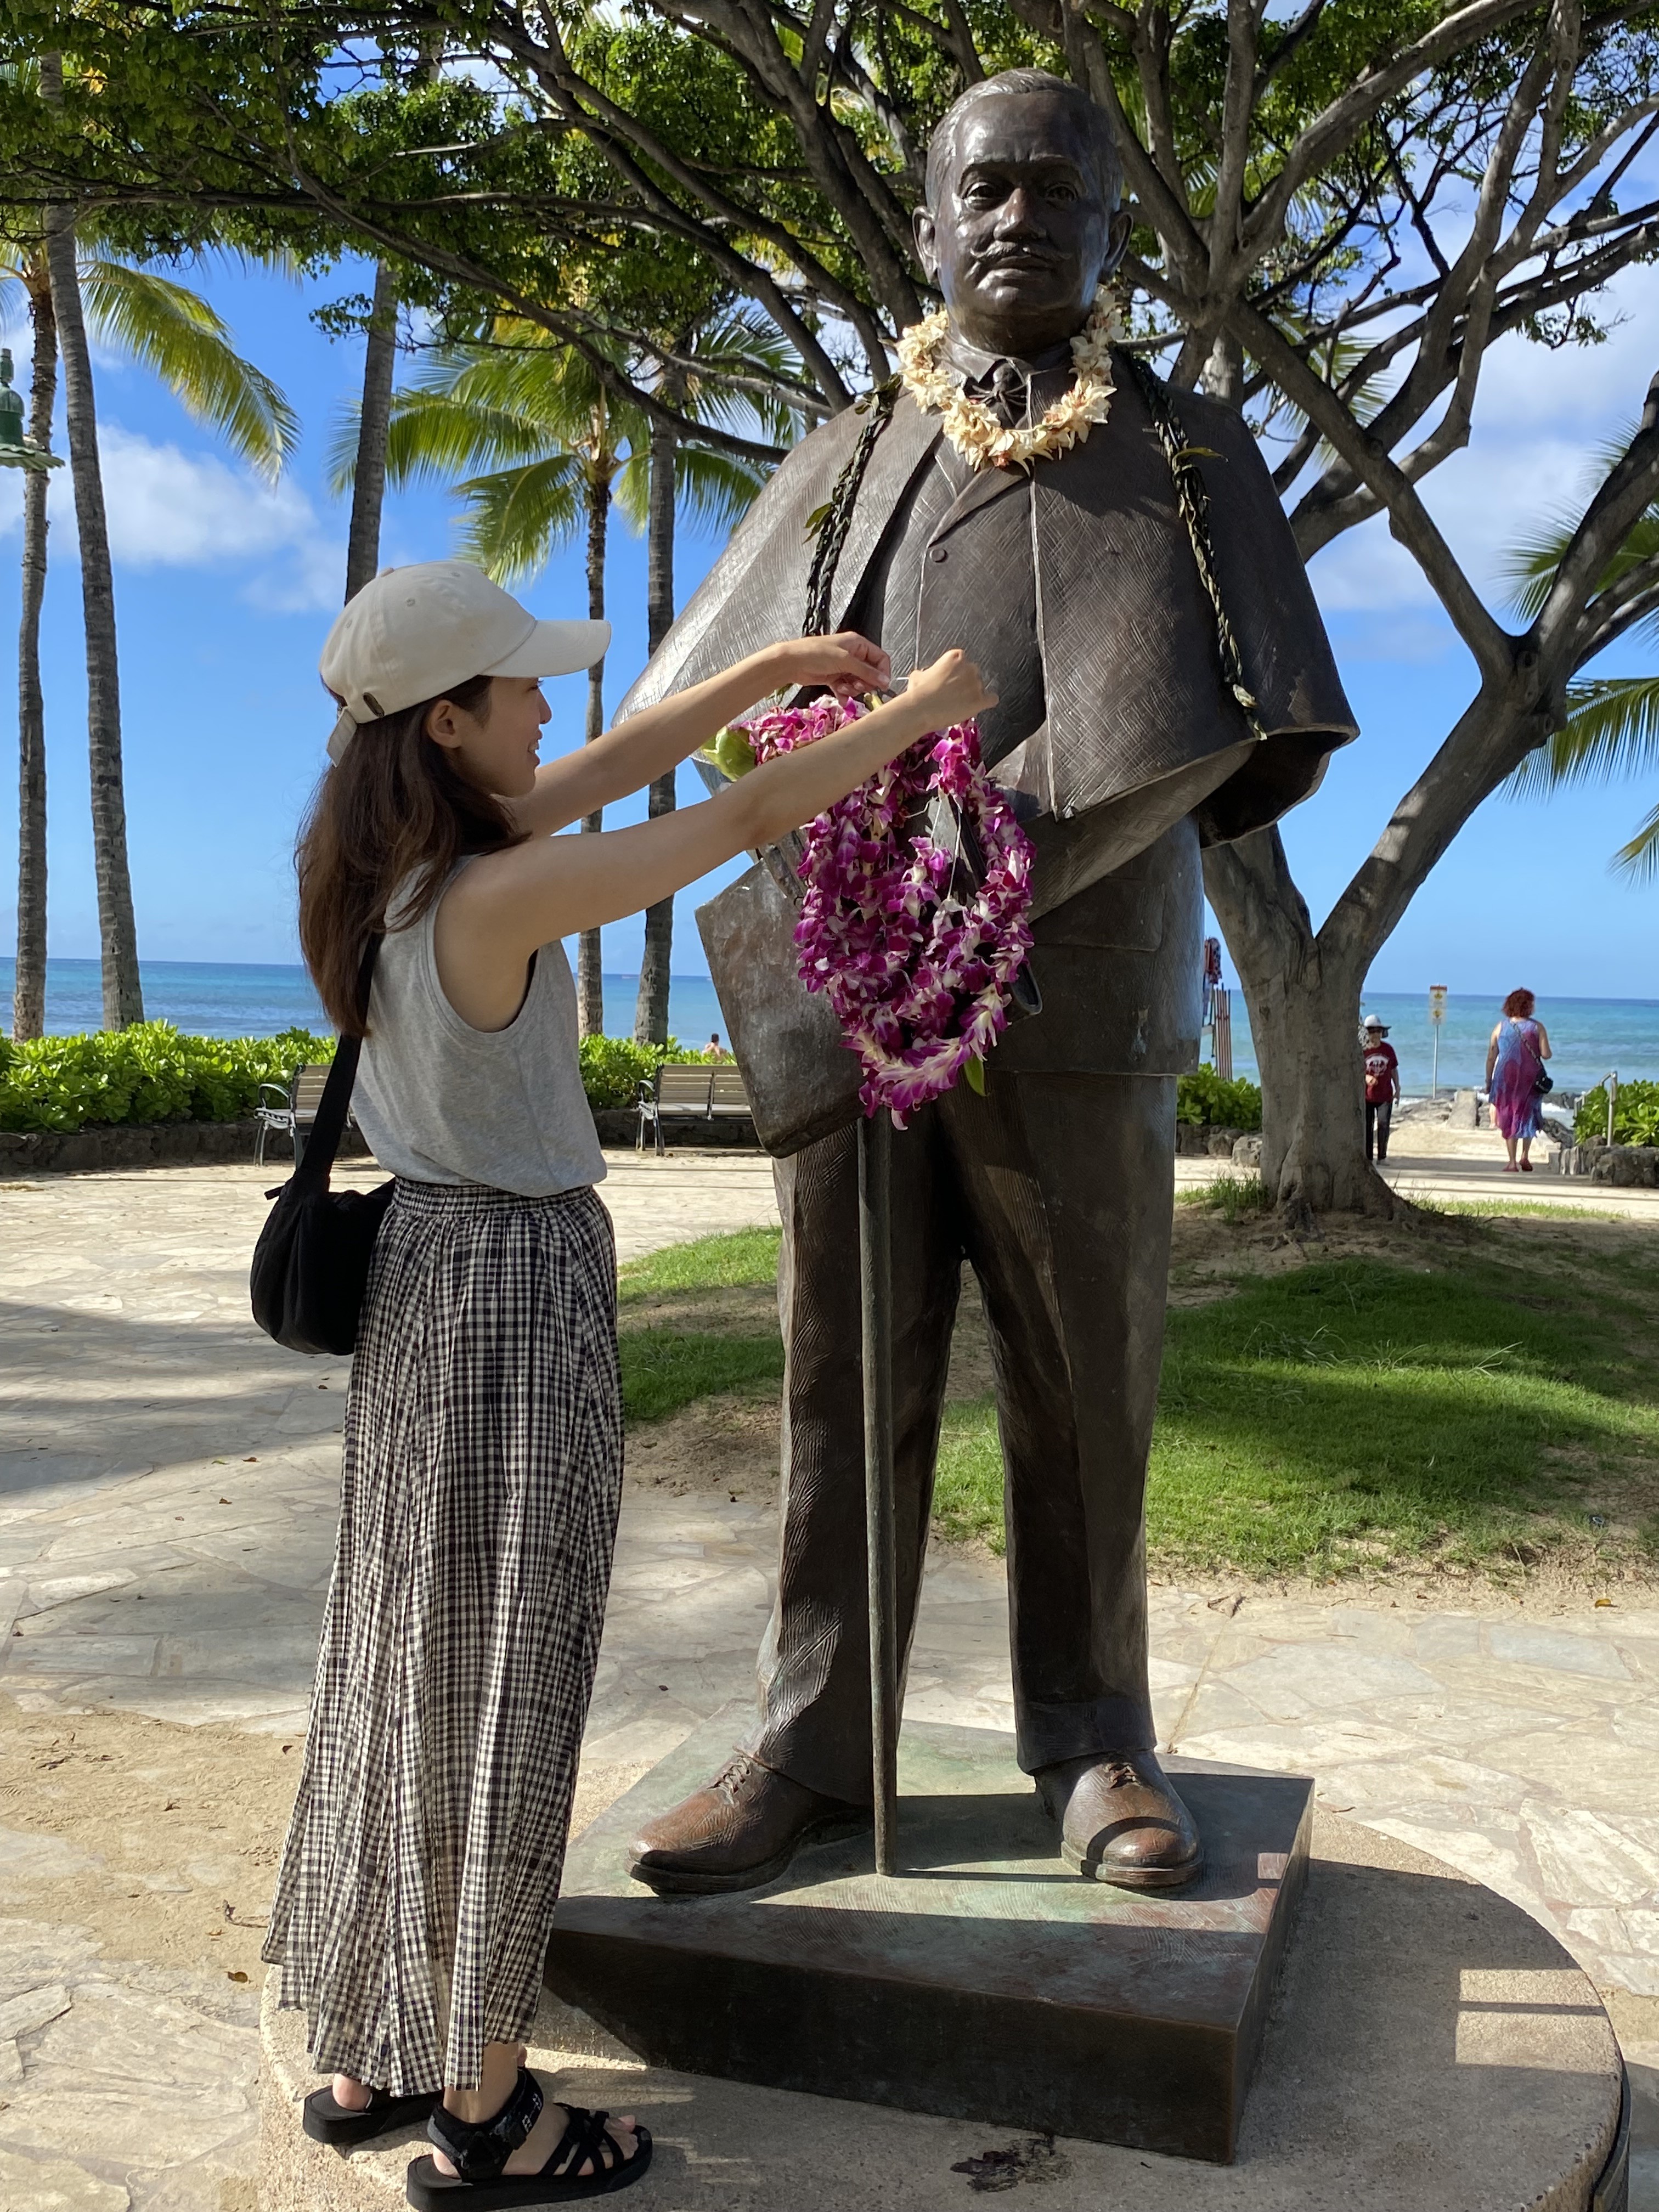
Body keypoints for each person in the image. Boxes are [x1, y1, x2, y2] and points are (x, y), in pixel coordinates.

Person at [617, 71, 1356, 1900]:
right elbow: (708, 704)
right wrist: (868, 869)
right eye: (988, 189)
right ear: (932, 223)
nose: (1021, 217)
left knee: (1085, 1382)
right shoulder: (850, 451)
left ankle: (1095, 1735)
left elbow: (1227, 714)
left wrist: (986, 859)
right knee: (836, 1376)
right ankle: (811, 1740)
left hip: (1082, 988)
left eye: (1058, 190)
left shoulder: (1187, 454)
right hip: (855, 994)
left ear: (1113, 230)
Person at [262, 558, 992, 2207]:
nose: (549, 707)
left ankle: (379, 2041)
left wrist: (776, 670)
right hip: (512, 1294)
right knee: (509, 1683)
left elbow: (634, 762)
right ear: (446, 726)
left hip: (423, 1292)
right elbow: (730, 824)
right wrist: (931, 713)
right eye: (519, 686)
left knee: (406, 1661)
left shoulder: (383, 872)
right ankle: (488, 2109)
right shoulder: (491, 894)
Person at [1486, 988, 1552, 1172]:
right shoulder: (1537, 1027)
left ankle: (1512, 1162)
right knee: (1528, 1114)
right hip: (1531, 1078)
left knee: (1508, 1115)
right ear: (1528, 1006)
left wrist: (1488, 1080)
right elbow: (1546, 1054)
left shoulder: (1500, 1027)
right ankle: (1525, 1156)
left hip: (1506, 1078)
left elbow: (1491, 1056)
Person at [1361, 1013, 1400, 1163]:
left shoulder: (1388, 1049)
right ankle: (1368, 1158)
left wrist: (1398, 1088)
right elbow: (1356, 1070)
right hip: (1367, 1096)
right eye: (1371, 1031)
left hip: (1385, 1095)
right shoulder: (1363, 1051)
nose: (1375, 1034)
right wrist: (1366, 1077)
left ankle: (1382, 1157)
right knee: (1367, 1127)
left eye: (1378, 1031)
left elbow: (1394, 1070)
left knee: (1383, 1124)